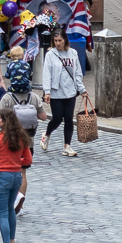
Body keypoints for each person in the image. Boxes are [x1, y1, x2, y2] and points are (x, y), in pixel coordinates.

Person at [0, 105, 33, 243]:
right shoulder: (21, 137)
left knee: (2, 212)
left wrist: (1, 162)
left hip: (2, 176)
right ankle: (12, 242)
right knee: (10, 209)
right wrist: (16, 161)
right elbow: (27, 159)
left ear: (5, 121)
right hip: (16, 177)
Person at [41, 29, 84, 157]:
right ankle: (47, 134)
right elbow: (47, 73)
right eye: (55, 41)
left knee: (69, 118)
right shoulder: (50, 54)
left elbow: (77, 73)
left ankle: (67, 146)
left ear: (65, 40)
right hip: (56, 91)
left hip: (70, 91)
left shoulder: (73, 53)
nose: (58, 43)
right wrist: (47, 92)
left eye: (60, 40)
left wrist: (82, 90)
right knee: (57, 118)